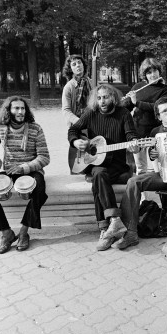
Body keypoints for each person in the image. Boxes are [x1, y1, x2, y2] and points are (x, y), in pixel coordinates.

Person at [115, 97, 167, 265]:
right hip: (163, 175)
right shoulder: (155, 132)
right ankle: (131, 233)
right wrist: (154, 157)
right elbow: (155, 163)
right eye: (164, 111)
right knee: (134, 181)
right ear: (159, 116)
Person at [68, 84, 140, 251]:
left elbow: (131, 134)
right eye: (99, 98)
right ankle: (114, 221)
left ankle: (105, 229)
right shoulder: (90, 114)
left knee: (98, 179)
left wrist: (134, 143)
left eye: (106, 97)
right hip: (95, 163)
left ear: (113, 98)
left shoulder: (123, 114)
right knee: (99, 173)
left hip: (117, 164)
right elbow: (73, 129)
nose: (102, 101)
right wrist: (76, 141)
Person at [0, 96, 50, 254]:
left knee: (39, 189)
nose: (20, 111)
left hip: (31, 170)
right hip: (10, 170)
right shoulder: (0, 128)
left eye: (23, 108)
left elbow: (44, 157)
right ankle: (6, 233)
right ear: (8, 111)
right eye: (16, 108)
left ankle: (24, 232)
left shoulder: (35, 128)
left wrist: (24, 168)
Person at [122, 57, 167, 174]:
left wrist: (137, 102)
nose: (153, 75)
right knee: (140, 168)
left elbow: (158, 107)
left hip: (157, 132)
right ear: (145, 75)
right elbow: (127, 108)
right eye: (149, 72)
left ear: (159, 71)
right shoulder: (137, 87)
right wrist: (122, 103)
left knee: (159, 168)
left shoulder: (165, 89)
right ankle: (142, 192)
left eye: (155, 71)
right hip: (138, 131)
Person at [61, 54, 92, 172]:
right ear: (70, 69)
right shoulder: (68, 87)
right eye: (74, 64)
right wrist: (80, 122)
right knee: (78, 159)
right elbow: (66, 111)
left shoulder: (92, 82)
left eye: (79, 62)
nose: (78, 65)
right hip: (78, 126)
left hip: (92, 124)